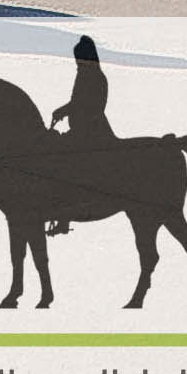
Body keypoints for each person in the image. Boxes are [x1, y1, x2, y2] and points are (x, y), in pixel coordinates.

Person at [45, 35, 115, 235]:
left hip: (92, 131)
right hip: (80, 130)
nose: (77, 64)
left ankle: (65, 215)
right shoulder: (83, 75)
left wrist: (71, 113)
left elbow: (94, 107)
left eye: (80, 60)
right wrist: (63, 110)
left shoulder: (97, 78)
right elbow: (76, 102)